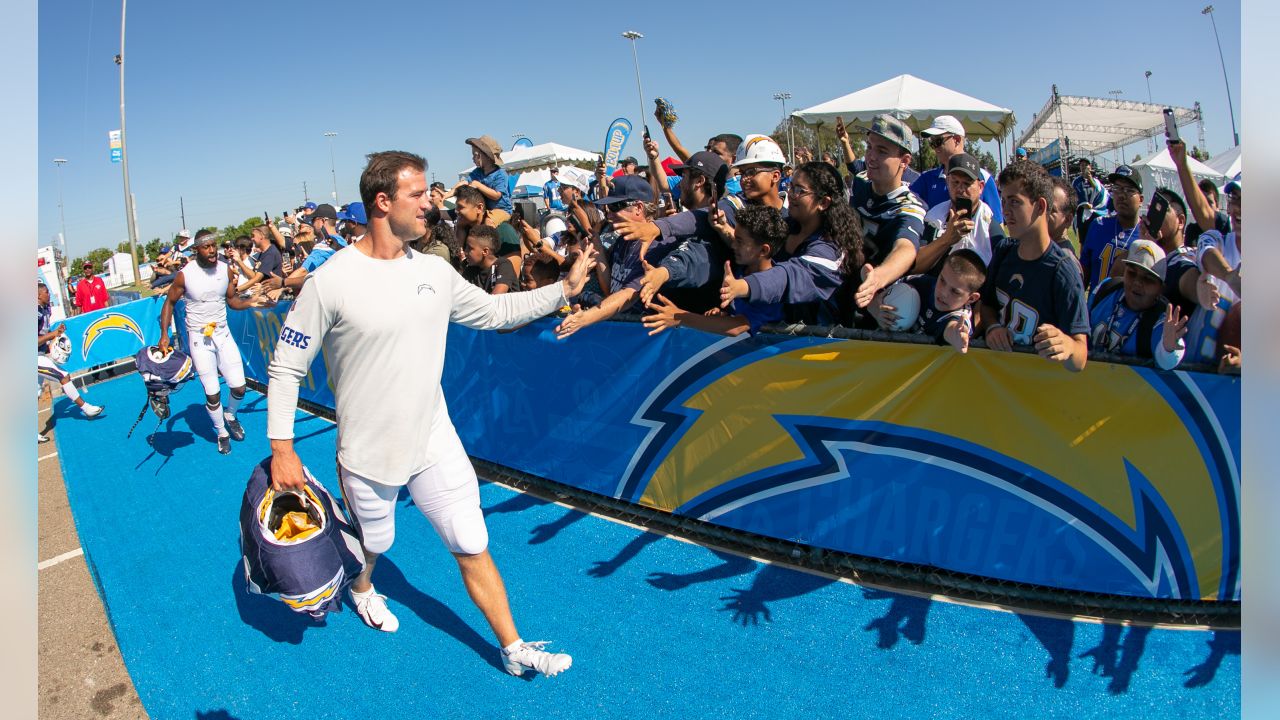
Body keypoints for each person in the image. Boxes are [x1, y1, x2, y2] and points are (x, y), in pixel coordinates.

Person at [267, 150, 594, 677]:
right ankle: (363, 584)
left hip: (435, 439)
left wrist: (564, 291)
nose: (430, 203)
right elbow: (285, 368)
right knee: (376, 542)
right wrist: (282, 449)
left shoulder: (436, 271)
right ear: (382, 201)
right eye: (417, 195)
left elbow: (492, 312)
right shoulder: (330, 281)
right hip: (369, 452)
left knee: (471, 541)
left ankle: (513, 648)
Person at [158, 229, 269, 454]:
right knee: (212, 392)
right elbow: (169, 303)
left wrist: (252, 302)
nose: (212, 250)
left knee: (239, 386)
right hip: (199, 339)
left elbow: (232, 302)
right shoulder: (185, 275)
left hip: (223, 334)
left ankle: (230, 415)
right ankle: (221, 432)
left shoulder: (225, 270)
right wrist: (163, 335)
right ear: (196, 249)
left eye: (214, 245)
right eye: (206, 247)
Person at [979, 160, 1089, 372]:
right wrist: (993, 327)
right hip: (998, 381)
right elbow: (988, 306)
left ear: (1040, 206)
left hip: (1039, 392)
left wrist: (1067, 345)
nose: (1005, 212)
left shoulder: (1063, 271)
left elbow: (1080, 357)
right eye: (1003, 202)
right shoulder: (1003, 251)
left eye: (1014, 202)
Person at [719, 161, 850, 324]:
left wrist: (744, 287)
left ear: (823, 203)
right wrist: (723, 228)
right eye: (790, 186)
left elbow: (790, 276)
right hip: (777, 340)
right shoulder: (785, 225)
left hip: (819, 343)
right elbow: (753, 248)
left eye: (799, 190)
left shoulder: (831, 250)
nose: (791, 194)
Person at [554, 175, 676, 338]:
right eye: (607, 209)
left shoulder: (656, 246)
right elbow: (610, 289)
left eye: (614, 207)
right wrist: (598, 249)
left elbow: (627, 296)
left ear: (639, 208)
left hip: (642, 338)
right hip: (618, 329)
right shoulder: (623, 239)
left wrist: (585, 318)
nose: (609, 215)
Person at [642, 204, 788, 337]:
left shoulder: (773, 289)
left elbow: (737, 327)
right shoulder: (741, 268)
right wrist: (722, 315)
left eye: (740, 241)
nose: (734, 245)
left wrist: (679, 317)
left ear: (763, 250)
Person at [843, 114, 925, 326]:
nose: (871, 157)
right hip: (844, 294)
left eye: (882, 151)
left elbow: (905, 248)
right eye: (869, 147)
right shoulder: (860, 183)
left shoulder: (909, 206)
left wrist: (876, 279)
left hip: (880, 305)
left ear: (904, 161)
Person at [1086, 239, 1187, 370]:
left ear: (1161, 289)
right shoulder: (1105, 289)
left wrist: (1168, 350)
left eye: (1148, 279)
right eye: (1132, 273)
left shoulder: (1161, 320)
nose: (1137, 282)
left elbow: (1167, 361)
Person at [870, 249, 986, 354]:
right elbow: (872, 301)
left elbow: (951, 328)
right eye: (942, 280)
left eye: (955, 292)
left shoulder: (960, 318)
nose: (944, 293)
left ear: (971, 298)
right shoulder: (918, 283)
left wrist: (956, 336)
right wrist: (876, 307)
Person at [913, 153, 1005, 275]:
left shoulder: (990, 228)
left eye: (967, 183)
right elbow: (915, 266)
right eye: (955, 182)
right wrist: (946, 239)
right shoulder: (933, 219)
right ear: (947, 182)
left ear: (981, 187)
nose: (960, 189)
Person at [38, 282, 103, 442]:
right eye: (46, 292)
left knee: (36, 393)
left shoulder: (45, 309)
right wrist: (53, 334)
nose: (49, 294)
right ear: (37, 295)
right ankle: (86, 408)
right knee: (63, 376)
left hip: (37, 354)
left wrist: (51, 345)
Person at [911, 115, 1003, 224]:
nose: (934, 147)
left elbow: (998, 223)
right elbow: (906, 204)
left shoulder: (983, 177)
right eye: (932, 142)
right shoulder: (927, 178)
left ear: (957, 140)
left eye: (938, 141)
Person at [1079, 165, 1142, 290]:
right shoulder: (1098, 225)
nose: (1122, 195)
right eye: (1117, 188)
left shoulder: (1146, 235)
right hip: (1096, 307)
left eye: (1129, 190)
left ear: (1141, 199)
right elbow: (1084, 275)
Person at [451, 135, 513, 222]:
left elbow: (496, 195)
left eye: (476, 155)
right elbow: (464, 182)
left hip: (502, 210)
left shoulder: (500, 174)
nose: (473, 158)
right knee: (462, 222)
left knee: (488, 221)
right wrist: (449, 193)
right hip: (485, 209)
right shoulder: (477, 172)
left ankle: (490, 235)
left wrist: (478, 185)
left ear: (487, 156)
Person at [461, 225, 517, 294]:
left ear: (485, 251)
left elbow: (497, 298)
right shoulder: (470, 269)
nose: (465, 252)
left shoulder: (504, 265)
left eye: (470, 248)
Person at [1184, 178, 1231, 247]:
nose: (1205, 207)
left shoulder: (1226, 227)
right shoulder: (1192, 231)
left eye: (1209, 202)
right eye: (1201, 203)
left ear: (1217, 205)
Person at [1048, 177, 1079, 258]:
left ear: (1068, 220)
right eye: (1040, 206)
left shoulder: (1063, 260)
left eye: (1051, 210)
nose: (1042, 213)